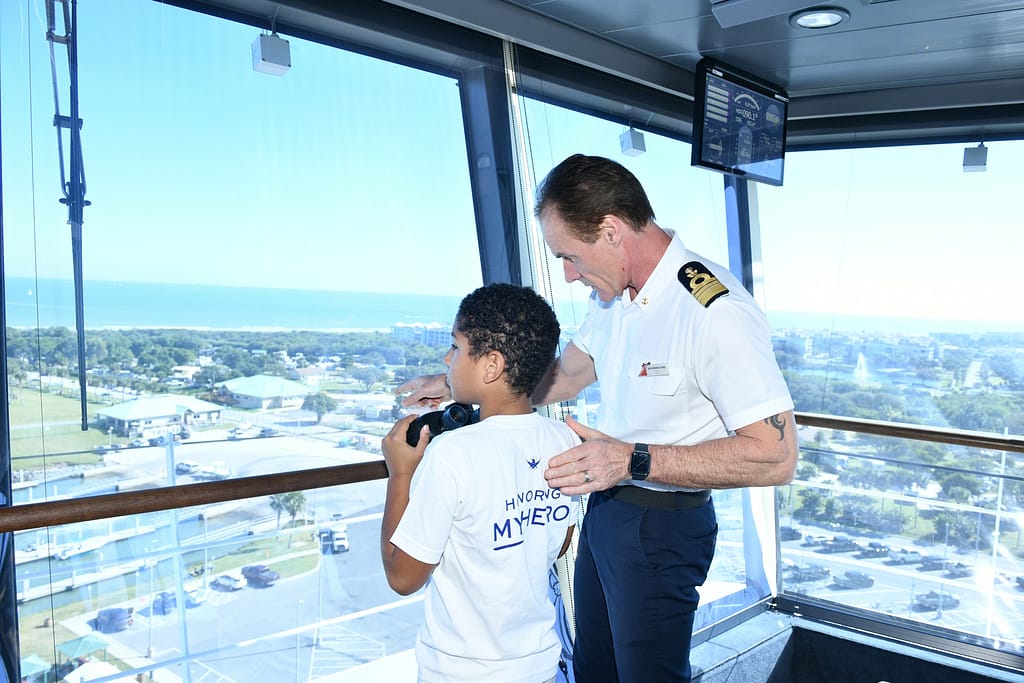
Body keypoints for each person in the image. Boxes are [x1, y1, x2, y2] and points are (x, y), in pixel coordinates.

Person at [397, 154, 798, 682]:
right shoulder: (610, 300)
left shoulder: (711, 309)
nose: (566, 273)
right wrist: (457, 384)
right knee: (595, 672)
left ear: (610, 231)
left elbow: (776, 455)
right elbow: (561, 379)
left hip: (663, 524)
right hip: (607, 509)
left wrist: (629, 459)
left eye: (569, 255)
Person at [381, 282, 581, 683]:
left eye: (455, 347)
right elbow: (559, 540)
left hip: (460, 671)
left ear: (490, 366)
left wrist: (400, 472)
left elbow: (402, 577)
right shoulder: (563, 440)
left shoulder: (454, 453)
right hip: (537, 664)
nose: (446, 357)